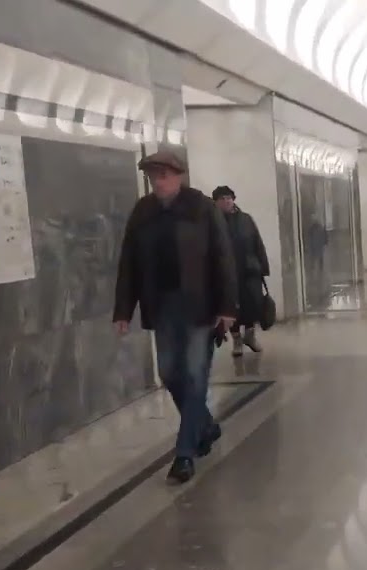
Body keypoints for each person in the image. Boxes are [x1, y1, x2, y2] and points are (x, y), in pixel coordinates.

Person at [114, 150, 237, 484]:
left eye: (164, 176)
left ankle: (184, 454)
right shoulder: (143, 212)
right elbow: (129, 263)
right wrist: (123, 310)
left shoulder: (202, 209)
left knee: (196, 375)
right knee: (169, 372)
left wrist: (228, 309)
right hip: (163, 308)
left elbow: (223, 259)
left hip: (201, 309)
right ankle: (206, 426)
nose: (159, 183)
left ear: (179, 176)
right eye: (154, 177)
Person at [212, 186, 270, 357]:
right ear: (215, 202)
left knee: (253, 304)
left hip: (249, 270)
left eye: (229, 198)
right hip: (227, 274)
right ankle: (237, 340)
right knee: (232, 308)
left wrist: (263, 267)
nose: (226, 201)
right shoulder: (214, 222)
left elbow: (257, 243)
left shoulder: (246, 219)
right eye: (222, 199)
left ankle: (250, 336)